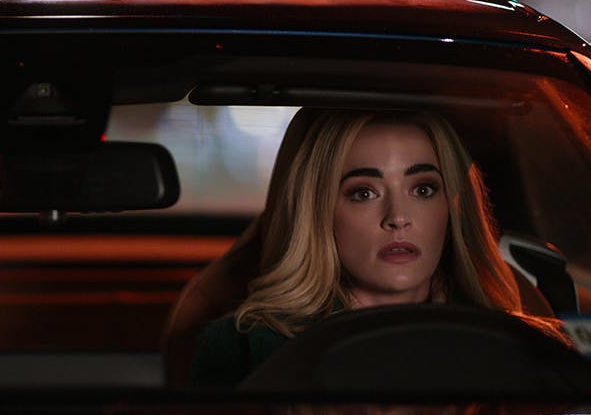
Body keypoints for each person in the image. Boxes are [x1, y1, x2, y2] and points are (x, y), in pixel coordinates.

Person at [191, 108, 568, 388]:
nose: (398, 217)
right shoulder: (245, 346)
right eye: (363, 193)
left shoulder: (528, 346)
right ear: (321, 213)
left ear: (452, 209)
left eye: (422, 189)